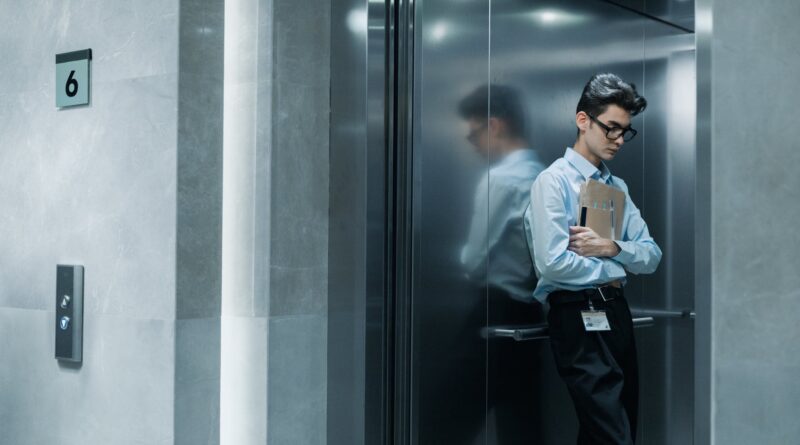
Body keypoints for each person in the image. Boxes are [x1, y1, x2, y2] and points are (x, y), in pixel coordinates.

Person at [526, 73, 662, 444]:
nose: (619, 140)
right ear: (583, 120)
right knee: (612, 435)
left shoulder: (617, 187)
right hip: (575, 314)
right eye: (611, 128)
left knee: (616, 427)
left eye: (625, 132)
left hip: (615, 311)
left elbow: (651, 255)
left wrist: (610, 248)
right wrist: (617, 266)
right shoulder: (552, 183)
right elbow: (553, 263)